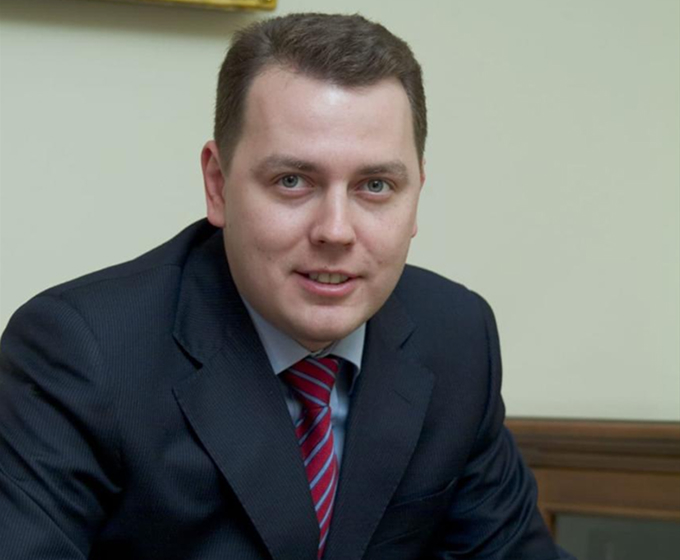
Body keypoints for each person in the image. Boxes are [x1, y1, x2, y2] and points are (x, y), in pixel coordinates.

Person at [0, 12, 574, 560]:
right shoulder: (83, 352)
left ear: (416, 194)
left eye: (375, 185)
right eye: (293, 181)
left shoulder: (456, 337)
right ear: (218, 185)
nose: (335, 231)